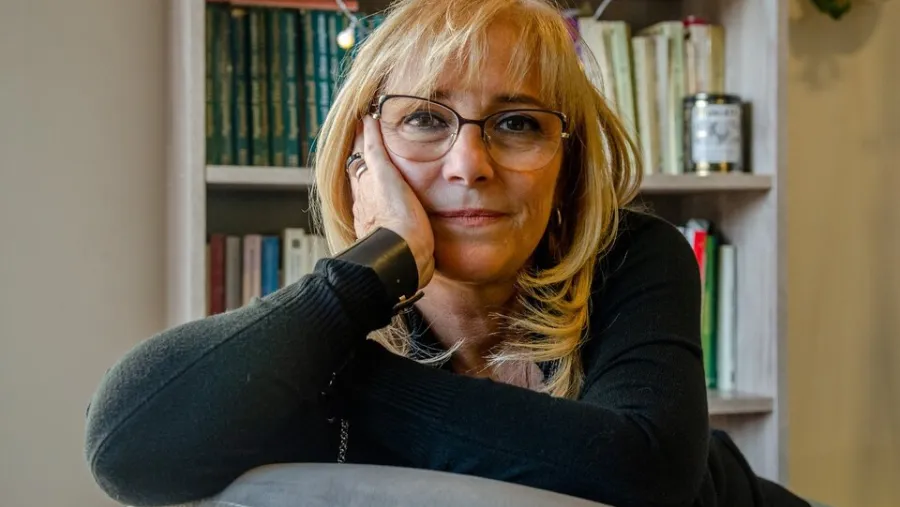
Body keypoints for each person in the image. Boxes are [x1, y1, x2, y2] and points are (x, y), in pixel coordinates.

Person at [83, 0, 812, 506]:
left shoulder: (633, 258)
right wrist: (364, 279)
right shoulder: (337, 315)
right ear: (362, 156)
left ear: (567, 165)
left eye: (518, 122)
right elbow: (125, 445)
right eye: (426, 119)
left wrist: (333, 383)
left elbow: (642, 473)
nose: (470, 164)